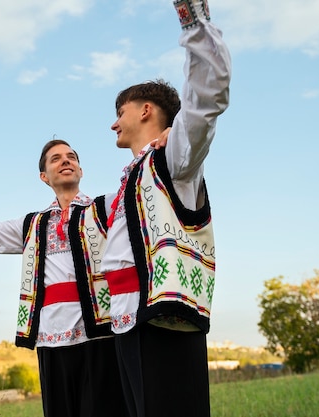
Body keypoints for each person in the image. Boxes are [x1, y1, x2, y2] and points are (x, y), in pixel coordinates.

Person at [0, 140, 133, 417]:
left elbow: (140, 198)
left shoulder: (105, 209)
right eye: (55, 159)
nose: (65, 161)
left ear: (80, 170)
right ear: (44, 176)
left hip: (101, 338)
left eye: (71, 157)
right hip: (51, 342)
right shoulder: (33, 225)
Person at [101, 1, 232, 416]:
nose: (113, 124)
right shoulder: (129, 180)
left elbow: (206, 100)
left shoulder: (174, 158)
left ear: (145, 110)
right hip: (127, 322)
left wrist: (192, 18)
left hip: (165, 317)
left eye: (119, 113)